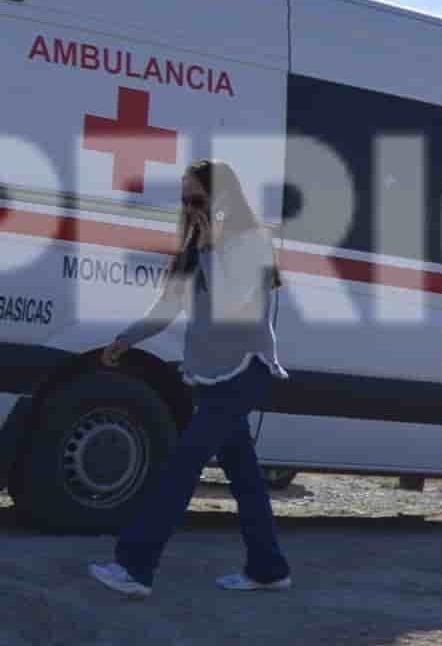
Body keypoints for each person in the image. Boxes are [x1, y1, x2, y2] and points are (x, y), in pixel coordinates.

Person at [86, 160, 292, 597]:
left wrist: (212, 245)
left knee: (180, 467)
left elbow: (235, 305)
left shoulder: (250, 242)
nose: (189, 206)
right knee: (246, 478)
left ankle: (134, 567)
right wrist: (126, 339)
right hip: (212, 375)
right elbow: (167, 308)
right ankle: (269, 568)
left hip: (244, 370)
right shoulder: (196, 246)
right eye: (184, 198)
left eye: (196, 197)